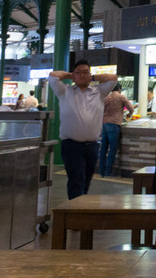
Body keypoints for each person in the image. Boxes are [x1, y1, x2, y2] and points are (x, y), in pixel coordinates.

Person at [49, 60, 118, 199]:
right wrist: (71, 75)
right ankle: (75, 213)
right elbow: (53, 75)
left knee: (85, 181)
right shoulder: (65, 91)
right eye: (78, 72)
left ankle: (79, 208)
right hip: (71, 145)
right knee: (76, 180)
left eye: (85, 72)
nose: (82, 75)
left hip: (92, 146)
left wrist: (91, 78)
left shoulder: (99, 91)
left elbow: (113, 78)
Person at [98, 83, 134, 177]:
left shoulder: (106, 97)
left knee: (103, 149)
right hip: (114, 124)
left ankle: (102, 171)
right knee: (113, 148)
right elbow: (131, 108)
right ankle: (108, 172)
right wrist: (129, 114)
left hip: (104, 124)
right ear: (120, 89)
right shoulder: (121, 97)